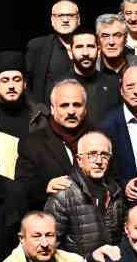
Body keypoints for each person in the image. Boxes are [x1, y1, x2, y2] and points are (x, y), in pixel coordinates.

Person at [15, 80, 89, 210]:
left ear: (85, 109)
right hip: (50, 217)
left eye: (77, 105)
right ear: (52, 109)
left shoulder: (100, 139)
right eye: (64, 105)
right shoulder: (32, 144)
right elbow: (22, 187)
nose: (71, 111)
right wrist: (45, 186)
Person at [45, 132, 116, 257]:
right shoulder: (63, 194)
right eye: (92, 154)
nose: (99, 161)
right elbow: (50, 246)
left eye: (104, 155)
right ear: (79, 160)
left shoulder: (115, 191)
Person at [0, 51, 42, 139]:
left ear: (24, 83)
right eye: (5, 81)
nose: (11, 86)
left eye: (17, 80)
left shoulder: (40, 114)